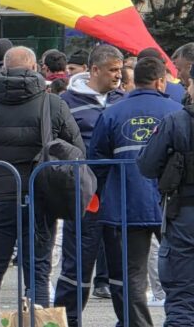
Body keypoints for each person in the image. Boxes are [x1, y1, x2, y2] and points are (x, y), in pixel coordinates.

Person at [0, 47, 83, 327]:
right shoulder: (54, 105)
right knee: (37, 273)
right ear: (34, 69)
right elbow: (77, 151)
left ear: (3, 70)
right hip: (40, 200)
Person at [87, 57, 179, 327]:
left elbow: (97, 161)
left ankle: (138, 325)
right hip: (169, 204)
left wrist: (105, 196)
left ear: (133, 80)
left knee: (132, 275)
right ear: (161, 81)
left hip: (127, 204)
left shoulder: (113, 112)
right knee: (182, 270)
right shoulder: (174, 110)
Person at [55, 45, 126, 321]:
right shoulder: (67, 102)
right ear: (94, 70)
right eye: (112, 70)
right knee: (76, 268)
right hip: (84, 197)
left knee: (122, 267)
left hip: (119, 195)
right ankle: (68, 321)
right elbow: (56, 145)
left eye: (120, 70)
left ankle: (128, 321)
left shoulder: (123, 100)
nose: (118, 75)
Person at [136, 77, 194, 326]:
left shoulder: (177, 121)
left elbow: (147, 164)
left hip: (185, 215)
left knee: (182, 296)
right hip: (183, 212)